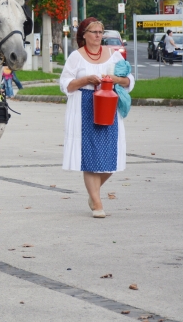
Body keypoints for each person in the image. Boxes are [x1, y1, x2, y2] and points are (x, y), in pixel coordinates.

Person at [60, 17, 134, 218]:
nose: (98, 36)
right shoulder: (76, 56)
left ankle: (93, 193)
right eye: (94, 32)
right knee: (90, 157)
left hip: (108, 106)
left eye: (101, 32)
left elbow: (129, 80)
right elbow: (65, 84)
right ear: (84, 35)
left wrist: (116, 80)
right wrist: (85, 80)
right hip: (85, 107)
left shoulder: (113, 55)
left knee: (110, 157)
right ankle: (97, 203)